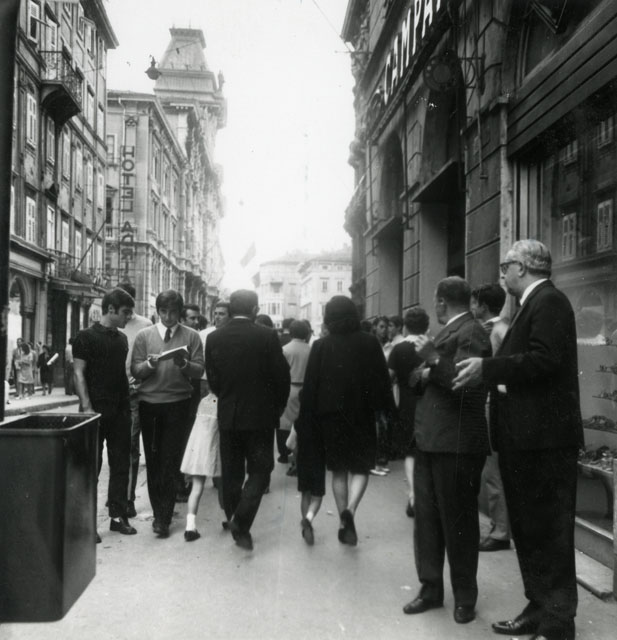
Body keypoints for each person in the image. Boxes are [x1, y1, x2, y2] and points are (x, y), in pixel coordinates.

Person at [454, 240, 583, 640]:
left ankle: (557, 623)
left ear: (523, 267)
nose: (501, 274)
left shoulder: (549, 302)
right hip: (528, 439)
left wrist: (488, 368)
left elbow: (544, 360)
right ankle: (539, 608)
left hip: (544, 442)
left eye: (505, 266)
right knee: (530, 530)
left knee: (548, 532)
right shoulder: (534, 304)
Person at [403, 276, 491, 625]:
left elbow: (466, 385)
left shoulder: (472, 332)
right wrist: (427, 369)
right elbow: (414, 378)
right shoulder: (447, 334)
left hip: (456, 444)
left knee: (458, 523)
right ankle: (430, 589)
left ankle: (465, 597)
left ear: (441, 301)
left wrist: (433, 362)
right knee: (426, 521)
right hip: (431, 441)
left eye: (436, 301)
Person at [300, 296, 393, 546]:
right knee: (361, 467)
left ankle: (343, 520)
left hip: (330, 417)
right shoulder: (370, 342)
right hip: (362, 414)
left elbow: (311, 385)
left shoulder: (321, 346)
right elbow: (382, 380)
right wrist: (385, 410)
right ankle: (350, 511)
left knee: (339, 469)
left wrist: (307, 419)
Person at [205, 289, 290, 551]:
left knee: (231, 473)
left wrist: (228, 398)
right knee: (261, 471)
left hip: (229, 414)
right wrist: (277, 407)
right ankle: (241, 522)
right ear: (254, 309)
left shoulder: (215, 337)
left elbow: (213, 379)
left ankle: (235, 521)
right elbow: (281, 377)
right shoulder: (267, 336)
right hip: (261, 416)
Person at [131, 289, 204, 539]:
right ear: (158, 311)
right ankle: (158, 512)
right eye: (164, 311)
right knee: (153, 460)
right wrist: (149, 365)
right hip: (149, 404)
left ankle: (163, 517)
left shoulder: (192, 336)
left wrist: (185, 365)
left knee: (171, 461)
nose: (168, 317)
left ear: (180, 313)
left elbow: (199, 370)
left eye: (173, 312)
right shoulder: (144, 336)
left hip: (178, 404)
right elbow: (136, 370)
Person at [72, 288, 137, 541]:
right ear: (110, 309)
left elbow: (117, 373)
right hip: (95, 410)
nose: (128, 317)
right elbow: (78, 373)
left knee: (121, 464)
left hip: (120, 410)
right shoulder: (85, 337)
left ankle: (118, 517)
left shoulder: (122, 339)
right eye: (125, 312)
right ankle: (86, 523)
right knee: (92, 466)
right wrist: (87, 408)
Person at [470, 283, 511, 553]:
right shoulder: (502, 328)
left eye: (474, 303)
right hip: (498, 404)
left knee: (493, 470)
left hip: (493, 404)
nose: (472, 308)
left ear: (483, 306)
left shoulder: (494, 331)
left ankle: (500, 531)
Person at [387, 307, 429, 517]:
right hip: (429, 405)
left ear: (405, 326)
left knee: (410, 452)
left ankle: (413, 494)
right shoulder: (432, 346)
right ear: (426, 326)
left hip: (406, 404)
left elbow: (389, 377)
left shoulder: (399, 349)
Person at [117, 282, 152, 518]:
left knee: (131, 445)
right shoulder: (109, 323)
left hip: (133, 393)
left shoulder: (145, 325)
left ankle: (128, 499)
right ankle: (116, 497)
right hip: (110, 394)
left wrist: (140, 382)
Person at [180, 392, 221, 542]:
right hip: (215, 450)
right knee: (224, 486)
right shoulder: (224, 402)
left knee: (196, 489)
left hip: (198, 450)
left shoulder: (204, 401)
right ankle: (229, 518)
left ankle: (190, 527)